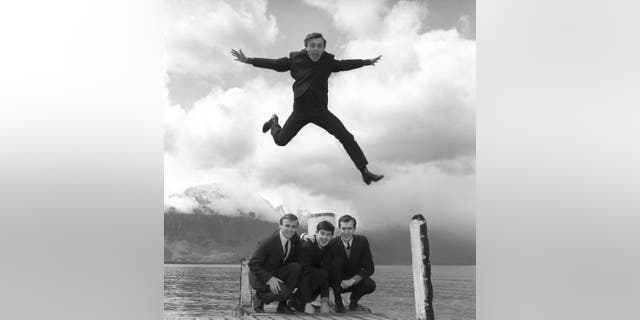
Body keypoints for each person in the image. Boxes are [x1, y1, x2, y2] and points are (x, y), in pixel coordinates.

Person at [231, 32, 385, 185]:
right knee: (281, 141)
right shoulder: (296, 59)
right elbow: (275, 64)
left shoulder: (328, 62)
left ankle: (365, 172)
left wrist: (366, 62)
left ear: (324, 48)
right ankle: (273, 123)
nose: (316, 49)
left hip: (321, 111)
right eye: (312, 46)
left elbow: (345, 64)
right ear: (305, 47)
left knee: (347, 137)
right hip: (301, 111)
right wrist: (248, 60)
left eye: (319, 46)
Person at [248, 214, 301, 314]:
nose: (290, 229)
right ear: (280, 226)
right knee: (285, 293)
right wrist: (269, 279)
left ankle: (282, 306)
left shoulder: (292, 237)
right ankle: (260, 296)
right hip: (260, 278)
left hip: (275, 272)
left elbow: (299, 240)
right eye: (287, 226)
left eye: (293, 226)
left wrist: (306, 236)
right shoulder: (268, 242)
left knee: (295, 267)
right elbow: (253, 264)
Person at [327, 215, 376, 313]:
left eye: (350, 228)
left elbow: (370, 268)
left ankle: (353, 302)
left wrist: (353, 280)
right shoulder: (332, 243)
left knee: (370, 284)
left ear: (354, 229)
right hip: (336, 282)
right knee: (336, 263)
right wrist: (304, 236)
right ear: (339, 228)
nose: (346, 232)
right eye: (343, 228)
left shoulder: (362, 241)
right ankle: (338, 302)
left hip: (354, 281)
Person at [290, 220, 335, 314]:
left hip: (310, 278)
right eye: (322, 233)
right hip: (294, 277)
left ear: (331, 236)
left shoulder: (328, 247)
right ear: (316, 233)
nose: (324, 237)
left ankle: (298, 302)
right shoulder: (308, 245)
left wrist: (324, 302)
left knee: (326, 273)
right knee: (320, 274)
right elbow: (304, 275)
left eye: (328, 235)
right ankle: (298, 301)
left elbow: (325, 275)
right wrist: (307, 303)